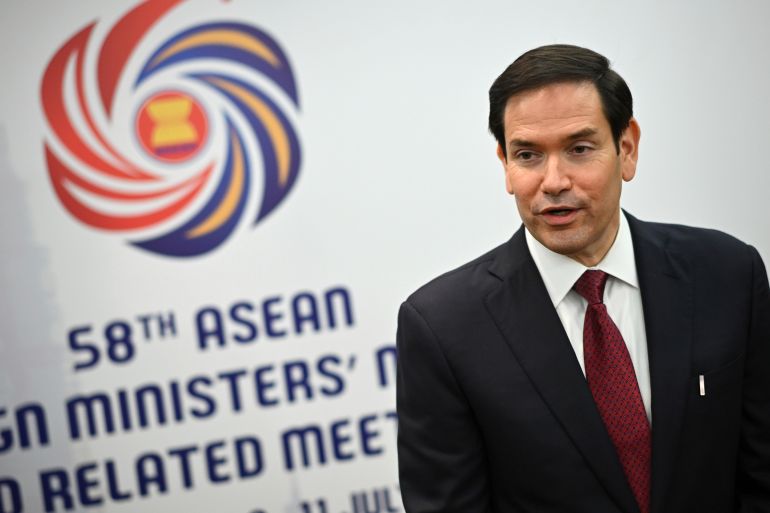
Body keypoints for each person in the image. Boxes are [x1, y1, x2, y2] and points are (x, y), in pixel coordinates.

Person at [395, 44, 770, 513]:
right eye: (528, 155)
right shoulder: (443, 328)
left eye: (579, 149)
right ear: (505, 165)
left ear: (626, 149)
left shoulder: (727, 273)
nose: (553, 181)